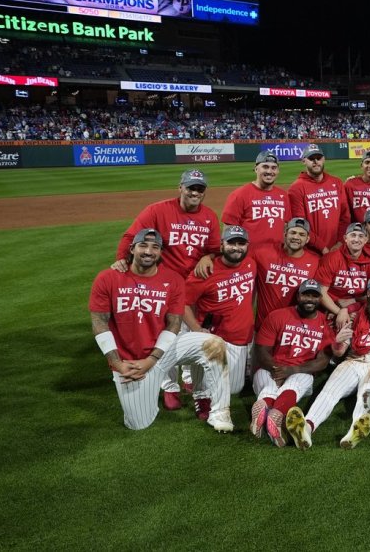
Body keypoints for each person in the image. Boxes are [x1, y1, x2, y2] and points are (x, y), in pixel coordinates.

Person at [90, 228, 232, 431]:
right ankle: (154, 391)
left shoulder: (173, 280)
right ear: (132, 249)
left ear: (160, 252)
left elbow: (174, 324)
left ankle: (219, 413)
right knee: (138, 424)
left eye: (155, 247)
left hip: (163, 351)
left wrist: (152, 360)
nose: (149, 251)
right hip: (130, 361)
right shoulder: (108, 278)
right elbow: (99, 323)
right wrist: (117, 364)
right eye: (143, 245)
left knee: (214, 344)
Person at [285, 275, 370, 449]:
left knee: (366, 395)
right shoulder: (356, 316)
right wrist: (337, 341)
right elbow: (339, 351)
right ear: (368, 294)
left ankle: (354, 431)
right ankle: (307, 427)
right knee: (329, 392)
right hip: (352, 361)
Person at [250, 280, 343, 447]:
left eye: (314, 296)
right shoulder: (278, 316)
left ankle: (266, 408)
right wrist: (277, 369)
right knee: (275, 384)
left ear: (320, 299)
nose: (310, 299)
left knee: (300, 379)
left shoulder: (324, 324)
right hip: (270, 367)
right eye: (306, 295)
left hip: (299, 370)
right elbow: (261, 350)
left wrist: (291, 370)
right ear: (298, 296)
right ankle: (277, 413)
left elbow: (322, 361)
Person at [182, 226, 258, 412]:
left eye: (241, 243)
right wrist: (196, 329)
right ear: (222, 245)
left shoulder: (250, 264)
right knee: (202, 354)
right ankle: (201, 396)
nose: (236, 247)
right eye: (231, 243)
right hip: (214, 334)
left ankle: (209, 384)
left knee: (235, 388)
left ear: (247, 245)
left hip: (240, 337)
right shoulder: (205, 271)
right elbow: (182, 303)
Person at [115, 169, 220, 278]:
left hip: (195, 278)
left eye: (200, 189)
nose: (195, 193)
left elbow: (215, 249)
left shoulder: (210, 216)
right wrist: (121, 259)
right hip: (165, 277)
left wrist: (208, 257)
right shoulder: (157, 210)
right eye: (191, 188)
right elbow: (131, 236)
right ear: (180, 187)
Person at [251, 217, 321, 330]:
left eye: (301, 234)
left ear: (307, 239)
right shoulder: (263, 253)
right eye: (293, 232)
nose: (296, 237)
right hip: (263, 327)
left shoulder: (316, 262)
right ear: (285, 234)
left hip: (293, 330)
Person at [315, 223, 370, 331]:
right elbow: (320, 292)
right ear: (345, 238)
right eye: (353, 235)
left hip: (358, 308)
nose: (356, 239)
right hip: (330, 308)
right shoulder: (331, 258)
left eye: (361, 236)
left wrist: (352, 303)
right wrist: (339, 312)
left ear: (365, 240)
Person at [288, 143, 350, 254]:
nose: (316, 161)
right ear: (304, 161)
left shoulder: (336, 183)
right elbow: (300, 225)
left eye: (318, 158)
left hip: (337, 249)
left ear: (324, 159)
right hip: (311, 251)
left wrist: (340, 243)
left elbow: (345, 217)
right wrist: (322, 248)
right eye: (311, 158)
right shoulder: (296, 188)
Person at [222, 150, 289, 246]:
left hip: (277, 254)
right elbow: (228, 231)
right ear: (256, 168)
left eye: (273, 168)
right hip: (249, 253)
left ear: (278, 170)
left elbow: (286, 227)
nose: (269, 171)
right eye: (265, 167)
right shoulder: (239, 195)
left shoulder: (283, 196)